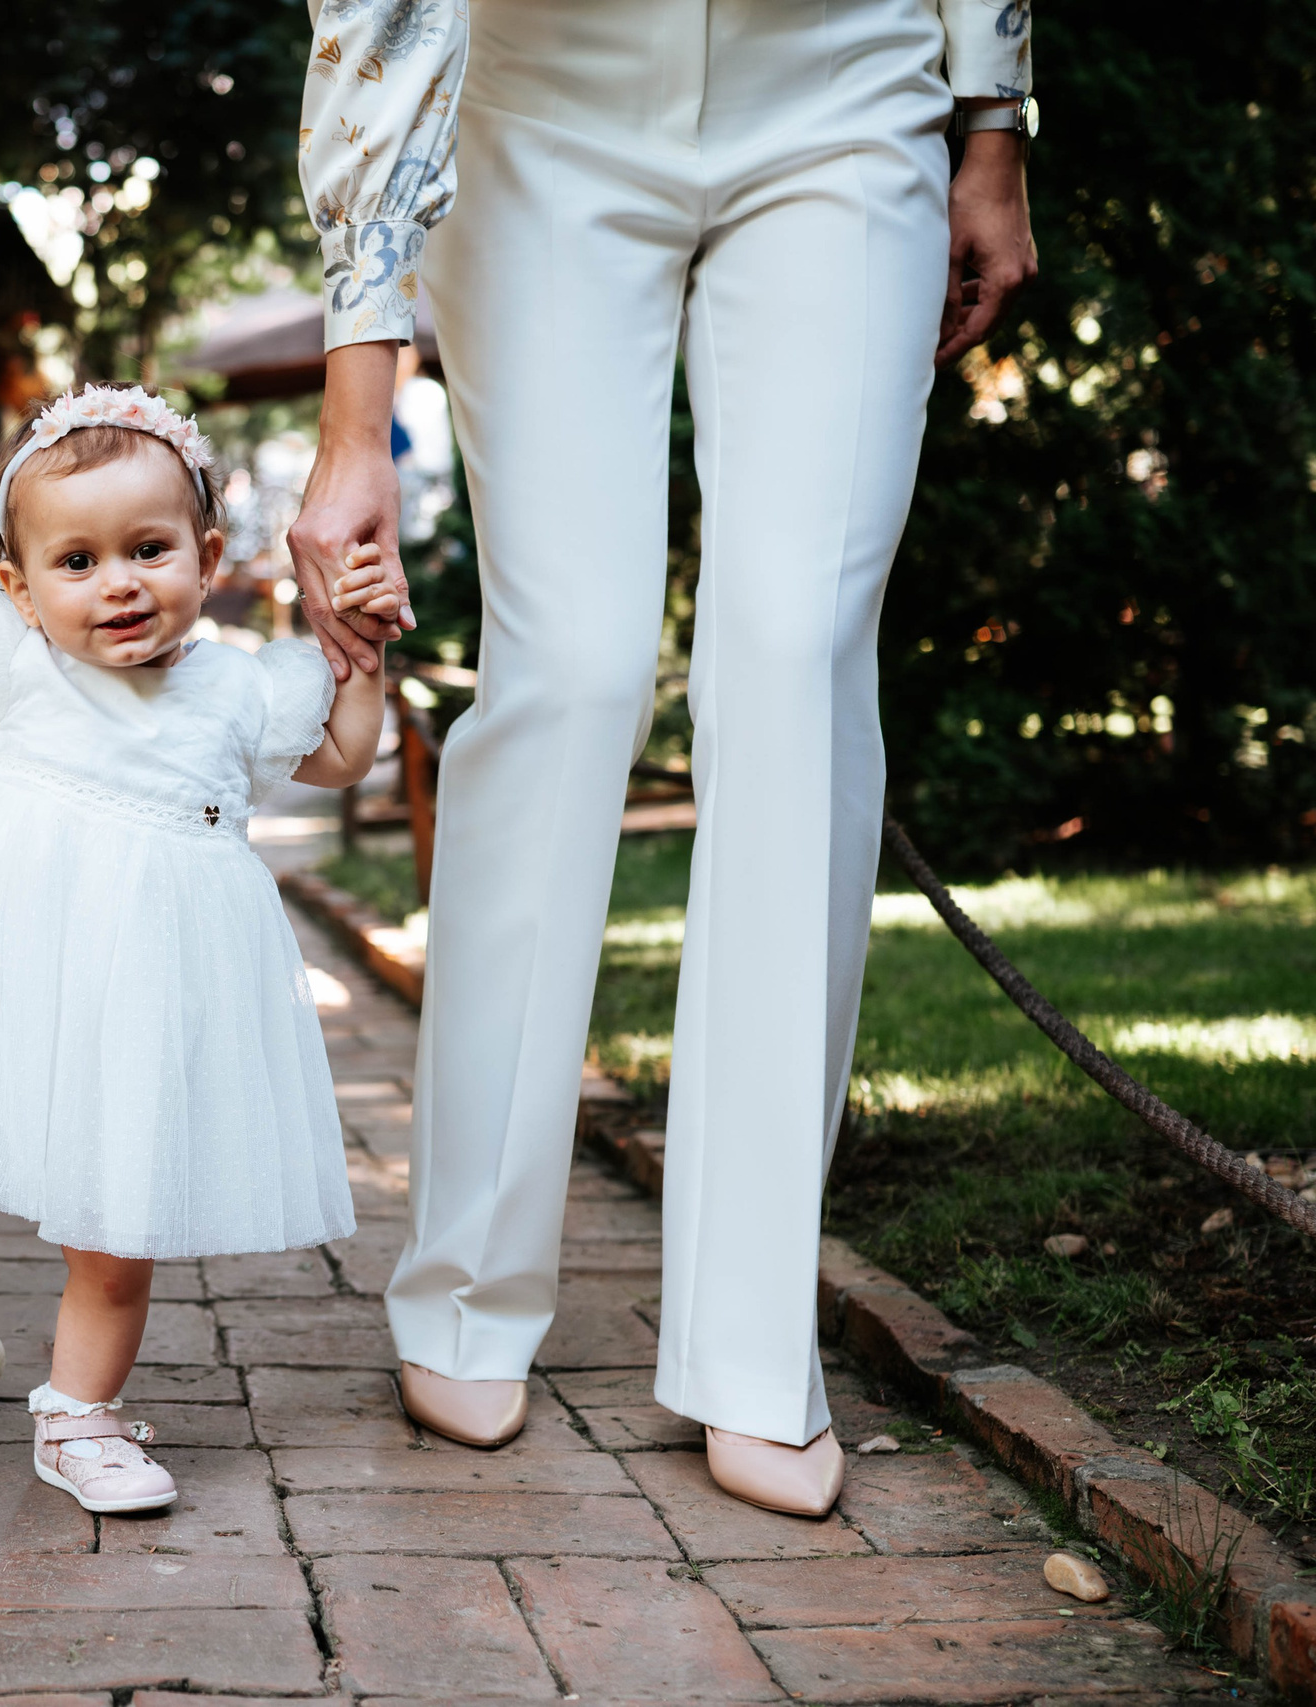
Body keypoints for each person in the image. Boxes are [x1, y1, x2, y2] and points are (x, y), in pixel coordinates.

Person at [291, 0, 1039, 1516]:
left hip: (847, 83)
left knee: (796, 660)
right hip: (537, 95)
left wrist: (993, 124)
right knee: (567, 668)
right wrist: (355, 417)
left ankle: (756, 1344)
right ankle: (464, 1283)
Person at [0, 385, 384, 1513]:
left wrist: (364, 647)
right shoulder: (18, 652)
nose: (119, 583)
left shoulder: (245, 689)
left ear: (207, 556)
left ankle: (80, 1414)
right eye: (77, 561)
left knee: (115, 1219)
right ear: (19, 586)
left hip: (146, 987)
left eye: (149, 549)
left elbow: (346, 755)